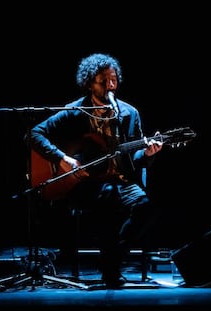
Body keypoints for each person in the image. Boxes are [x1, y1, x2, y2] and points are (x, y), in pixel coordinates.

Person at [29, 53, 163, 288]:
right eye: (104, 81)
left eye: (114, 80)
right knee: (108, 197)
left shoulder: (129, 114)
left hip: (121, 181)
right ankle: (111, 269)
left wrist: (148, 154)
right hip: (84, 183)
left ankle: (111, 261)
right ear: (90, 82)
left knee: (146, 206)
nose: (111, 85)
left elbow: (134, 158)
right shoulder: (74, 111)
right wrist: (62, 159)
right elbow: (33, 134)